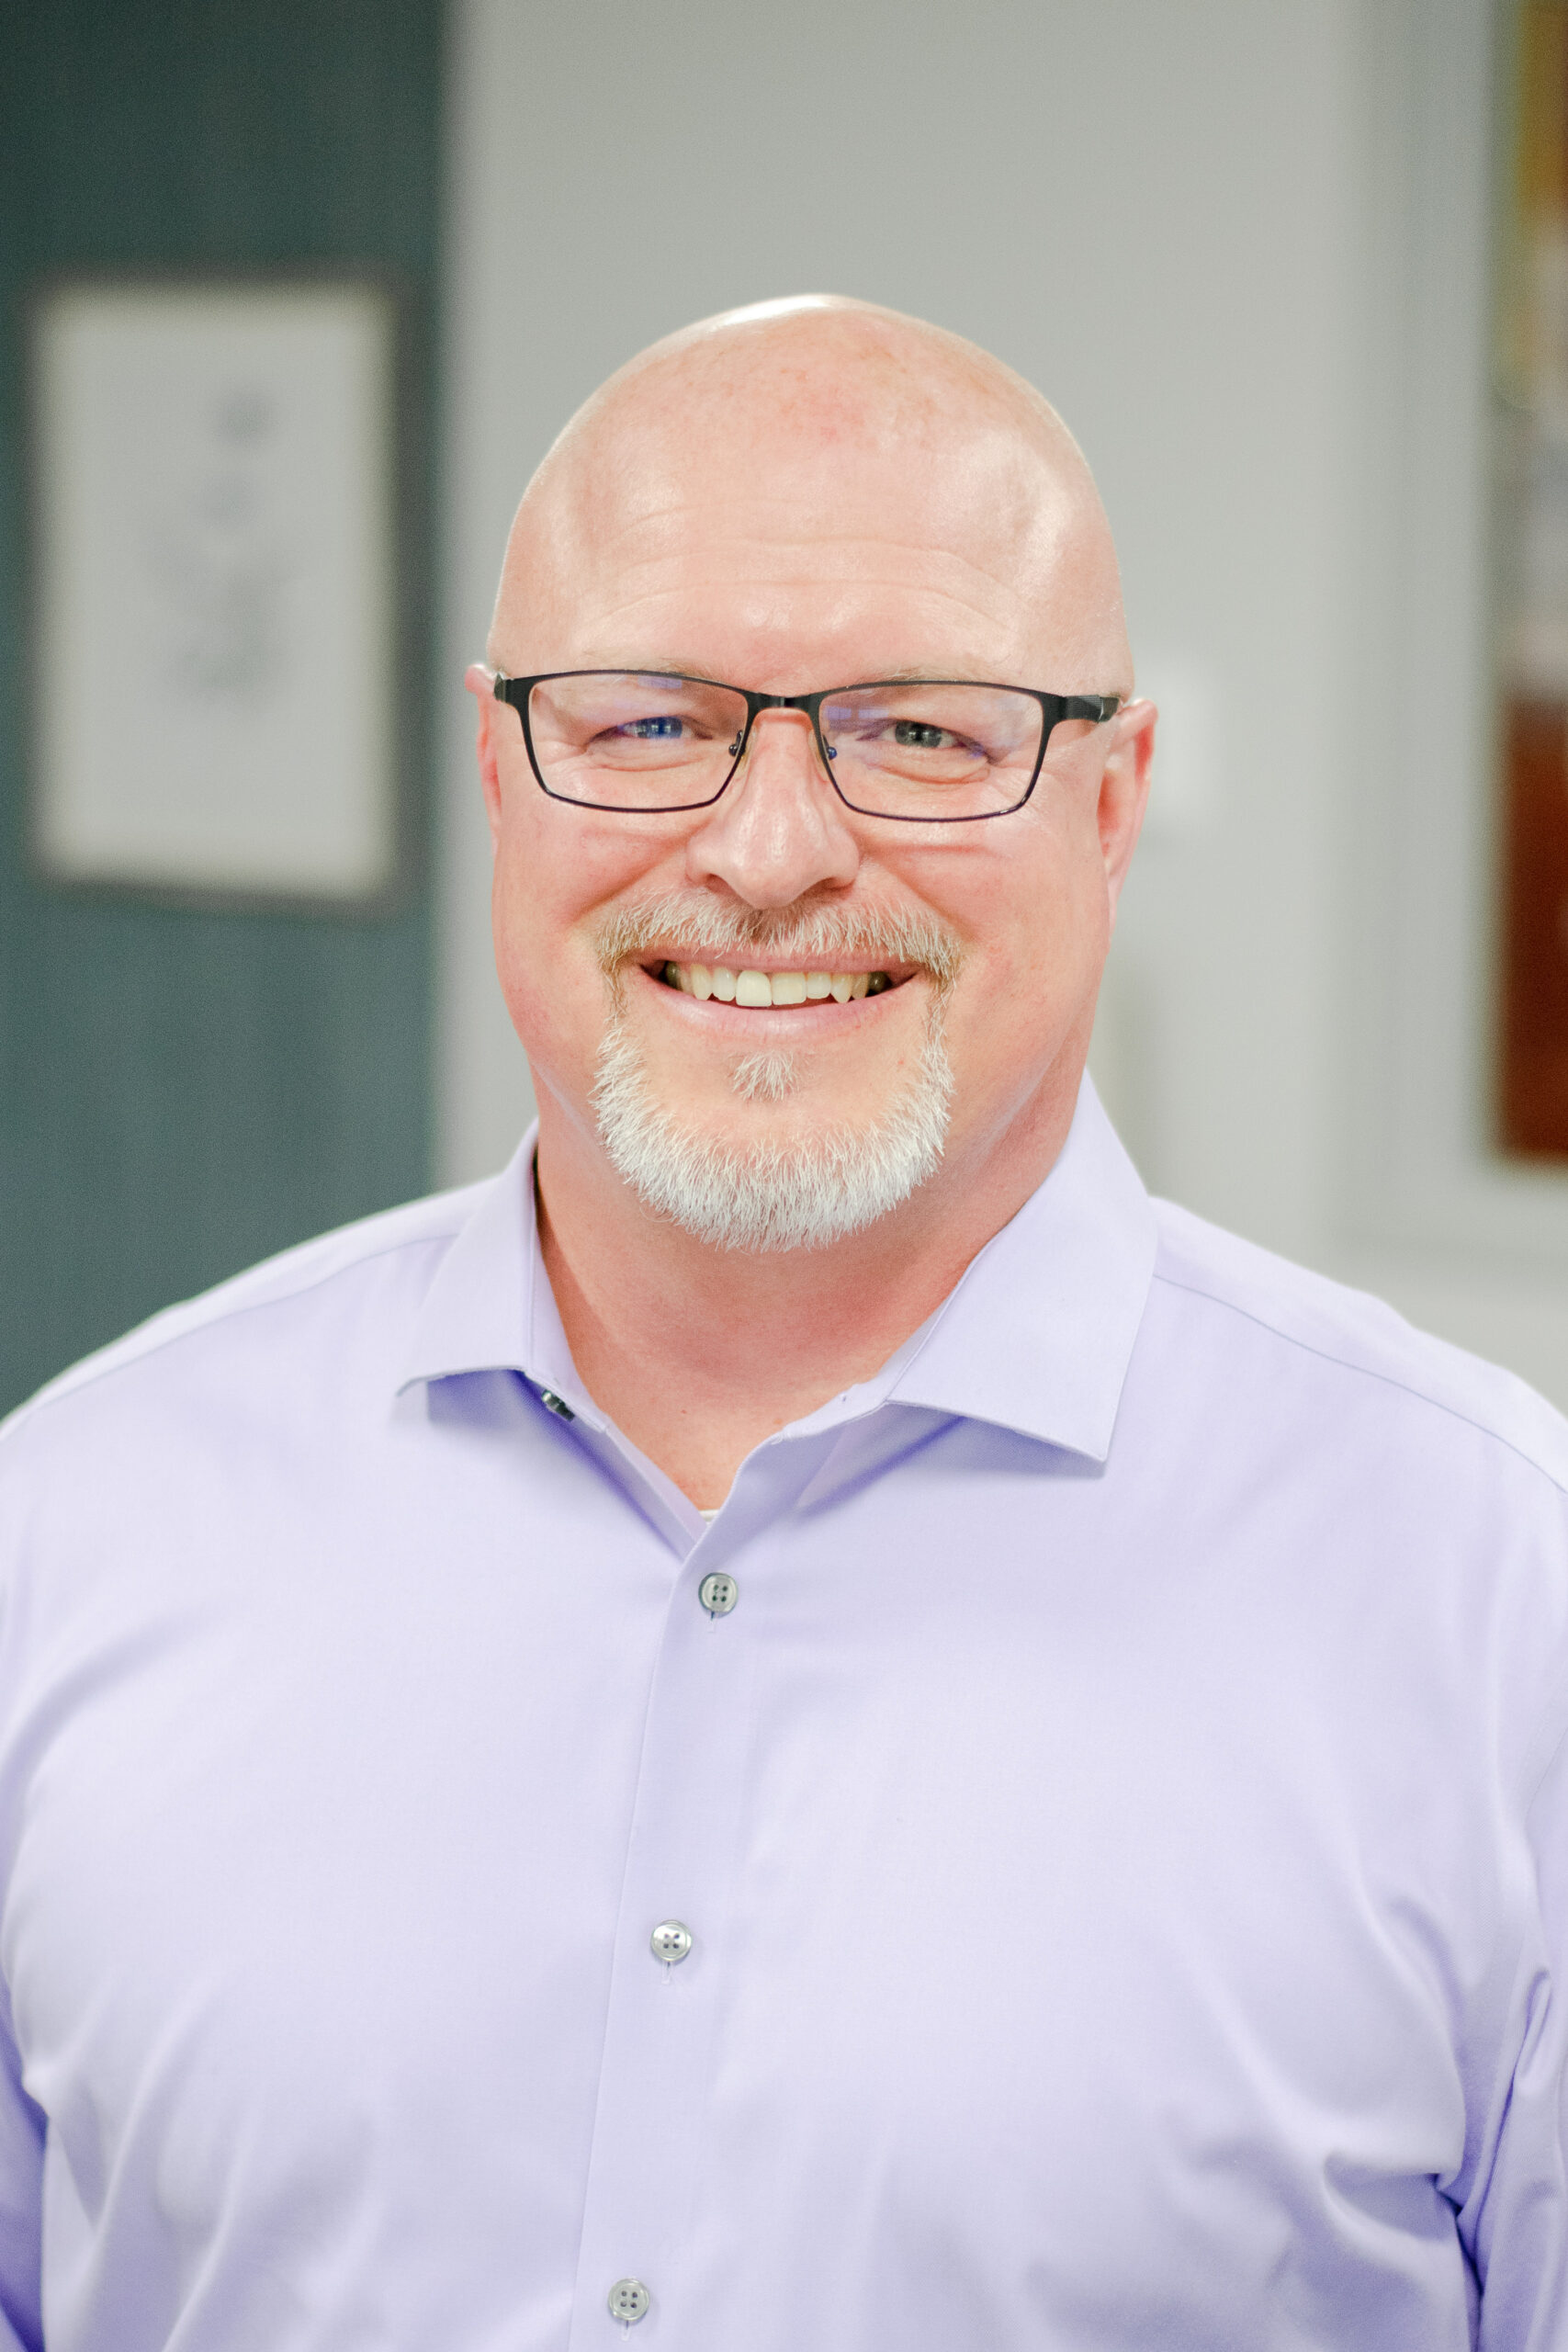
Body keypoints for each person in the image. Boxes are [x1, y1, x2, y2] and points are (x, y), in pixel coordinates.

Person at [0, 294, 1564, 2352]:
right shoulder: (72, 1530)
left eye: (920, 728)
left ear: (1107, 803)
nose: (764, 851)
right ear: (498, 766)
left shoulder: (1497, 1605)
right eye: (645, 720)